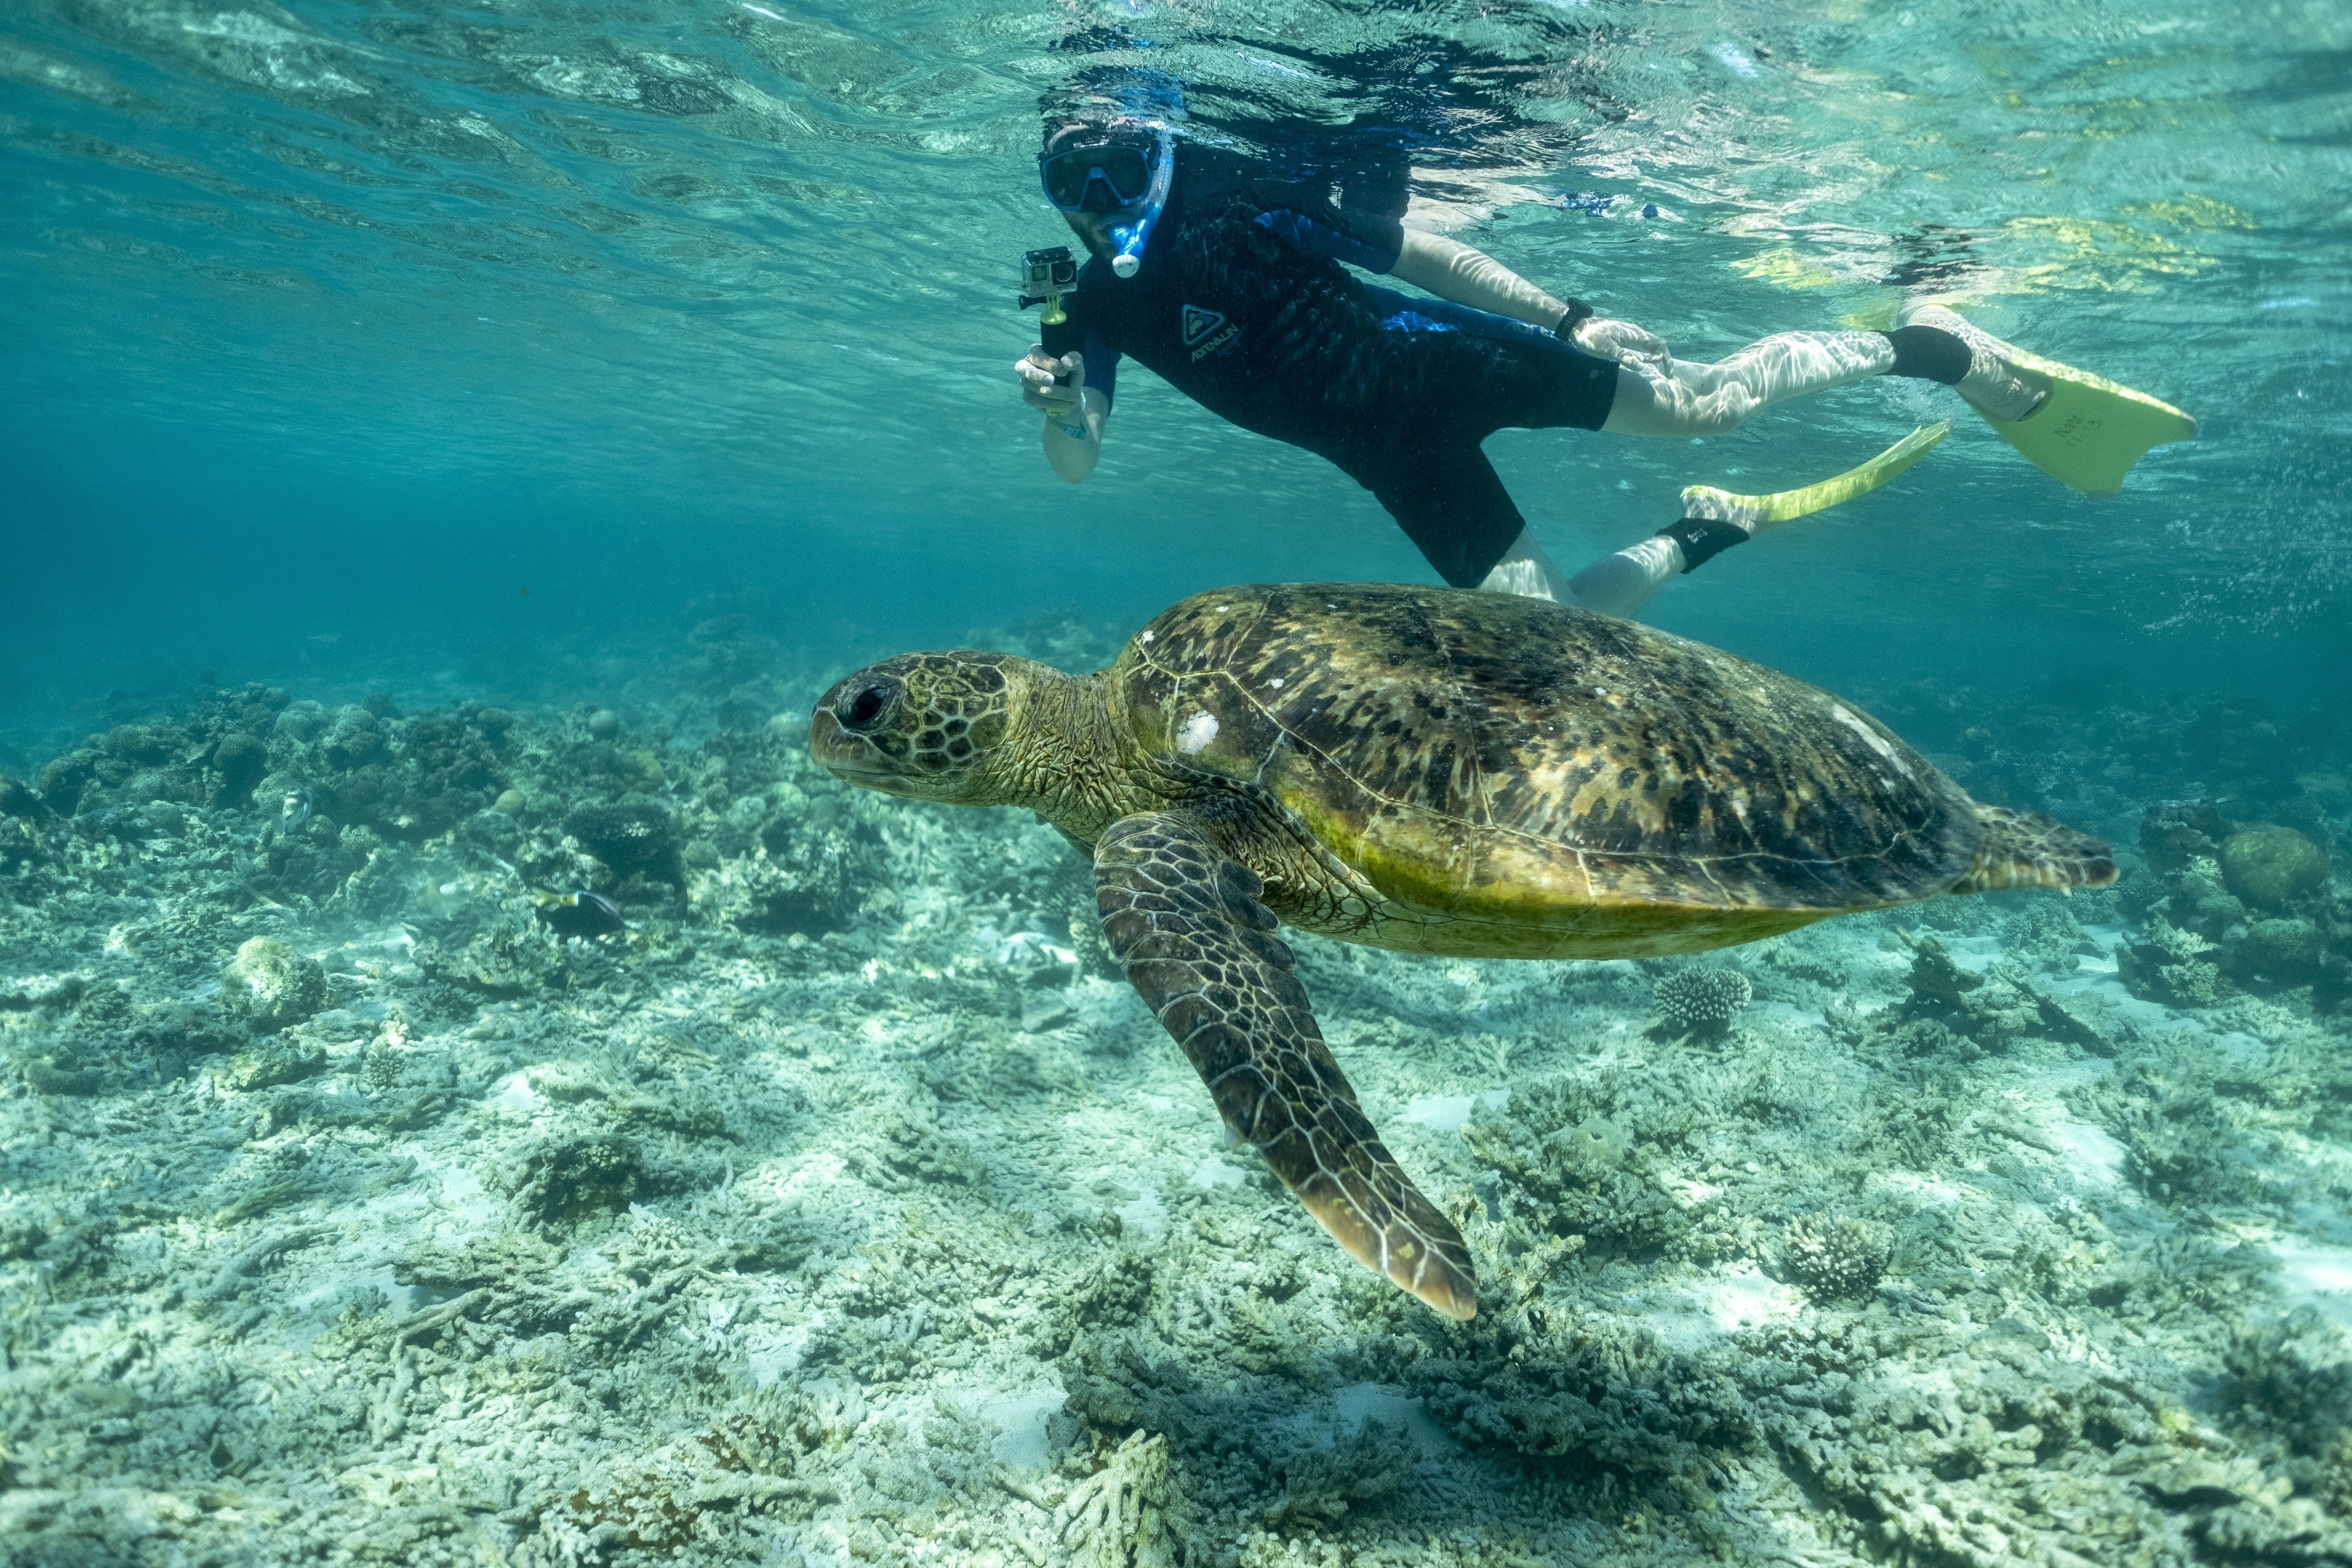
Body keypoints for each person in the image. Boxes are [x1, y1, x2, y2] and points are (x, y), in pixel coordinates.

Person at [1014, 115, 2194, 622]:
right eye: (1074, 186)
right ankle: (1708, 531)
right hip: (1388, 461)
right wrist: (1059, 411)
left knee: (1706, 405)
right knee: (1562, 637)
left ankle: (1929, 347)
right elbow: (1076, 470)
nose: (1099, 201)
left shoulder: (1239, 193)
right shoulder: (1074, 301)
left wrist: (1570, 319)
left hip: (1447, 364)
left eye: (1114, 166)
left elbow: (1421, 251)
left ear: (1155, 145)